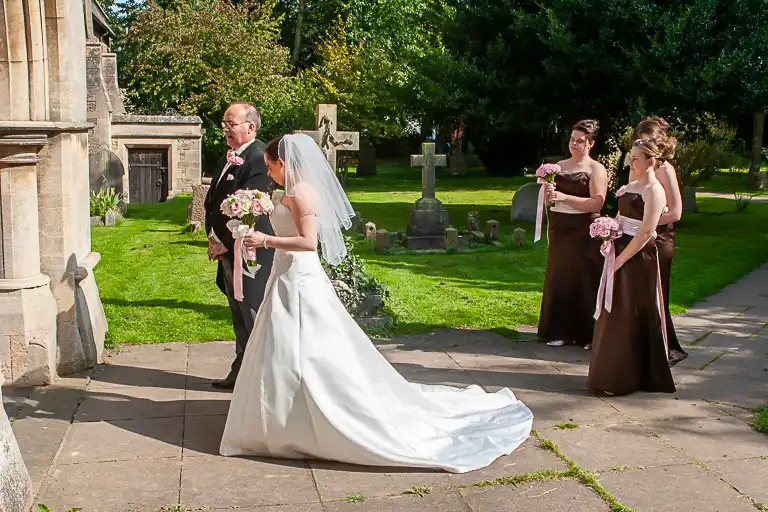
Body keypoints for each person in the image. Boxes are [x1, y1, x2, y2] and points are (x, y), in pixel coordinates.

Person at [219, 134, 534, 473]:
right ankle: (282, 417)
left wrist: (264, 238)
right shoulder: (288, 193)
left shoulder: (302, 194)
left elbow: (309, 242)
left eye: (270, 166)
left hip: (299, 278)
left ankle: (309, 417)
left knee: (306, 347)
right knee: (282, 346)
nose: (269, 173)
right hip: (284, 274)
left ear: (285, 163)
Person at [587, 136, 677, 396]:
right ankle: (607, 375)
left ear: (651, 162)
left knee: (628, 313)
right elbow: (619, 218)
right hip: (619, 249)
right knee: (612, 313)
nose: (631, 162)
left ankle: (624, 379)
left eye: (635, 159)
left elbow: (647, 232)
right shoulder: (632, 186)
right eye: (631, 158)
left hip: (638, 258)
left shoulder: (654, 191)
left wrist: (621, 260)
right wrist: (609, 237)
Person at [204, 102, 275, 390]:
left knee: (251, 313)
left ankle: (256, 377)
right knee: (238, 315)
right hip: (226, 247)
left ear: (250, 127)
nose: (225, 129)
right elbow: (214, 202)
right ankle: (241, 371)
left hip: (248, 252)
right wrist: (212, 236)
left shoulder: (258, 158)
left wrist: (222, 240)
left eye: (231, 123)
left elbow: (245, 206)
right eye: (224, 123)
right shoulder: (229, 158)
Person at [537, 119, 608, 349]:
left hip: (582, 230)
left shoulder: (595, 169)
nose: (574, 144)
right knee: (560, 278)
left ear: (591, 144)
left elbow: (597, 204)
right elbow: (551, 200)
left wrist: (565, 198)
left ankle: (588, 333)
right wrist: (548, 194)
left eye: (580, 141)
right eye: (572, 139)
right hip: (560, 227)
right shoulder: (560, 166)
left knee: (584, 280)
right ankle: (559, 330)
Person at [634, 116, 686, 366]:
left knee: (657, 294)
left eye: (646, 140)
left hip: (661, 239)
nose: (641, 143)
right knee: (639, 293)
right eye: (639, 139)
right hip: (638, 235)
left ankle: (666, 347)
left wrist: (648, 223)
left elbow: (676, 212)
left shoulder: (665, 169)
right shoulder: (638, 166)